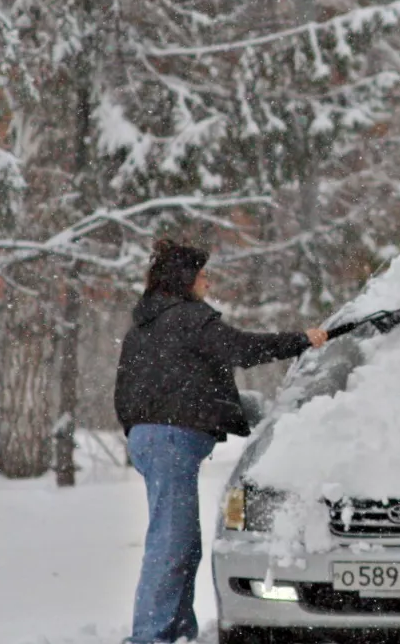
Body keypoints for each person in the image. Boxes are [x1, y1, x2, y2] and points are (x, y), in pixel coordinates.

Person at [115, 238, 329, 644]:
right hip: (170, 440)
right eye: (202, 276)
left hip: (150, 437)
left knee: (183, 541)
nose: (207, 283)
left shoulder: (146, 325)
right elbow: (242, 349)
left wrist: (140, 428)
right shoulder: (187, 318)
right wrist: (301, 339)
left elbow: (130, 387)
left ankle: (176, 631)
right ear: (185, 280)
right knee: (171, 541)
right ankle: (149, 636)